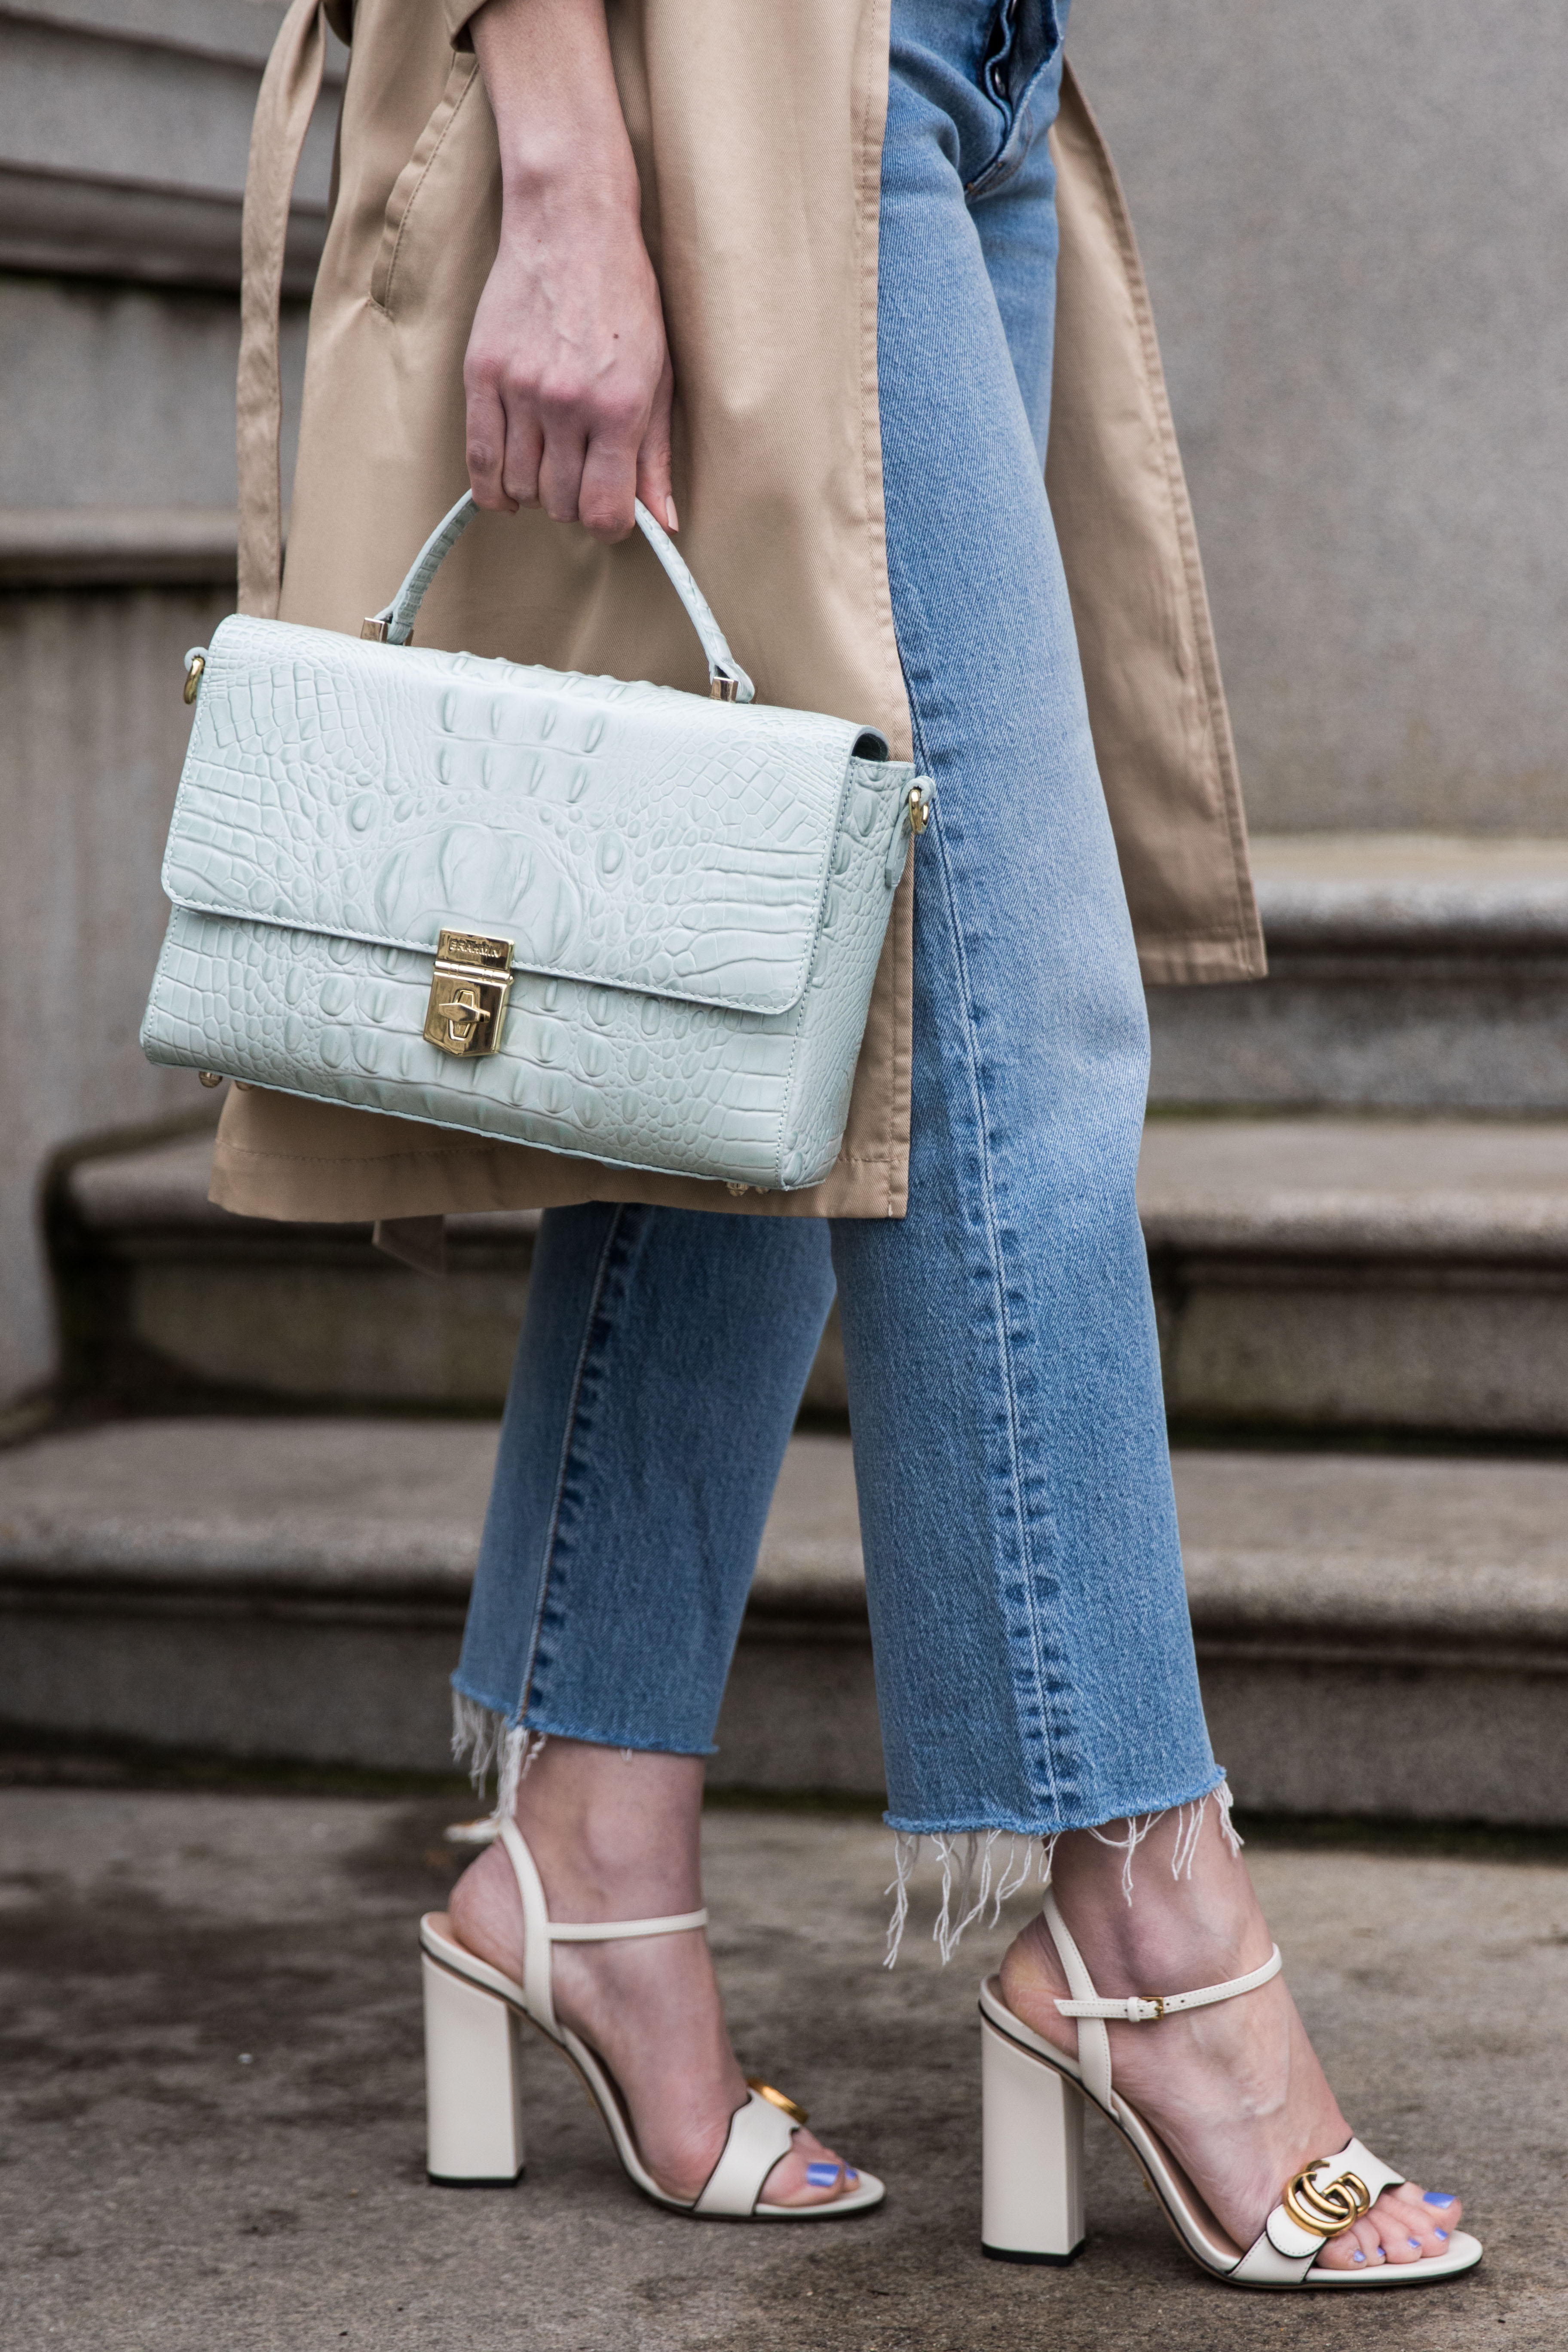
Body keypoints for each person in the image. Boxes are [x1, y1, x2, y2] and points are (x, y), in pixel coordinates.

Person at [227, 0, 1475, 2283]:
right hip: (765, 74)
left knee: (780, 1010)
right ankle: (1137, 1898)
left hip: (979, 77)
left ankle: (586, 1852)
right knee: (1013, 1034)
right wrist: (576, 181)